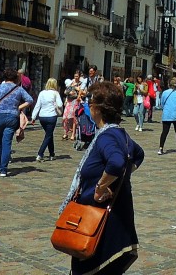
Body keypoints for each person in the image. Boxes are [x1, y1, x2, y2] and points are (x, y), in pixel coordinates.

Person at [59, 81, 144, 275]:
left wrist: (102, 186)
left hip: (100, 227)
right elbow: (138, 155)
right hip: (113, 224)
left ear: (97, 108)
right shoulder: (119, 134)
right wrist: (120, 178)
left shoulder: (107, 136)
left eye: (90, 102)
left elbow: (116, 162)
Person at [0, 69, 33, 177]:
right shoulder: (19, 89)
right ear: (15, 78)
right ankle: (4, 169)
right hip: (12, 117)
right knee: (7, 142)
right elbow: (30, 100)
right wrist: (19, 107)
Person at [33, 77, 64, 162]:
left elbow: (37, 105)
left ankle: (52, 153)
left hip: (42, 117)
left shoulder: (42, 93)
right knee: (48, 135)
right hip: (51, 116)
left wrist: (33, 117)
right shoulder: (55, 93)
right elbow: (60, 104)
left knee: (49, 134)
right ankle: (40, 153)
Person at [156, 76, 176, 155]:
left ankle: (161, 148)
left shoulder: (165, 92)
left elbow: (162, 103)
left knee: (164, 132)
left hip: (167, 114)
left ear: (168, 85)